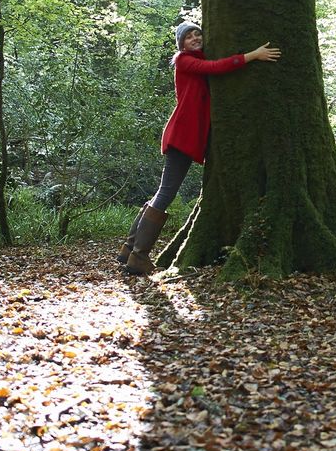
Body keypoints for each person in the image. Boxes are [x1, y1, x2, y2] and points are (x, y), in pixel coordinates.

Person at [119, 21, 280, 275]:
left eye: (198, 34)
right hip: (181, 136)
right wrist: (253, 55)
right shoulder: (184, 60)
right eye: (189, 36)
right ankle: (138, 257)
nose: (195, 38)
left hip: (184, 136)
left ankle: (129, 250)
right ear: (181, 44)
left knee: (162, 192)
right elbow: (216, 68)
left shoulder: (197, 57)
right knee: (166, 193)